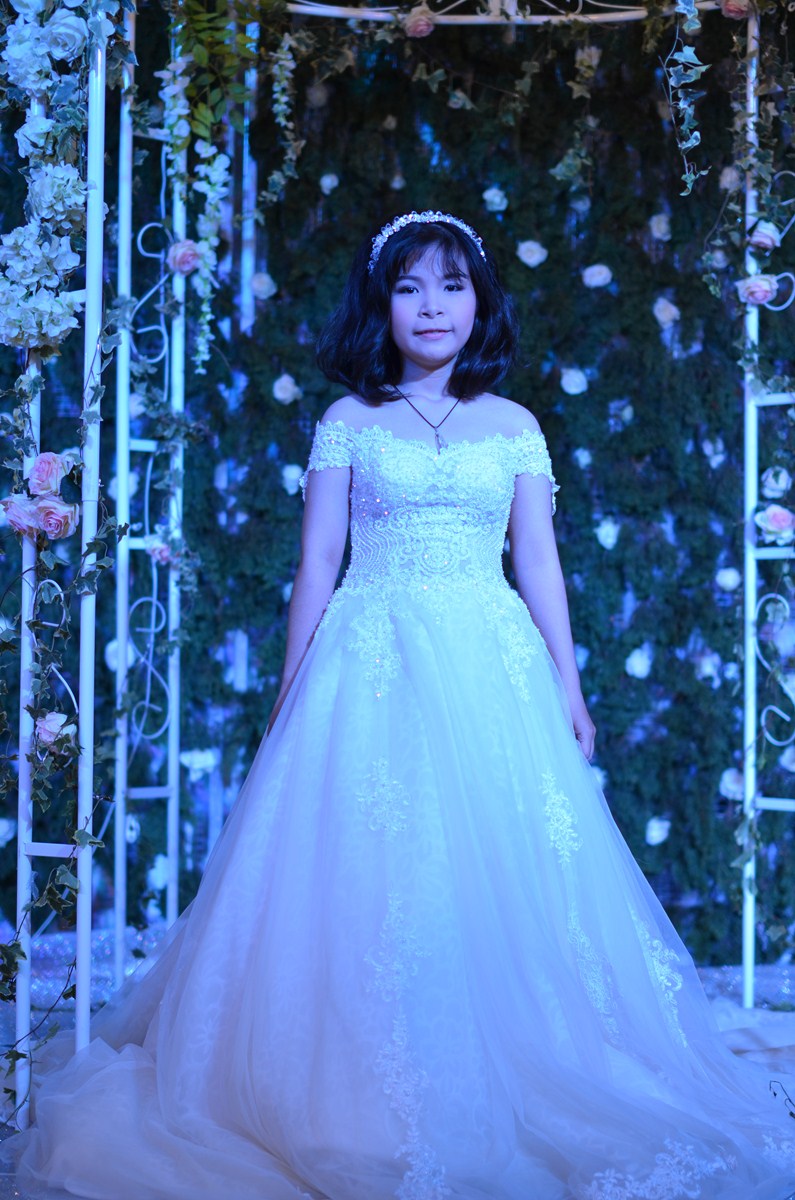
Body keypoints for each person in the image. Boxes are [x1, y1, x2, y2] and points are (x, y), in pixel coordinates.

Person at [7, 211, 795, 1200]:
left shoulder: (514, 426)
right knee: (365, 862)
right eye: (411, 287)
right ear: (381, 305)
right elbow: (317, 562)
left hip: (487, 661)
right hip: (369, 657)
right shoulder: (349, 420)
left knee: (495, 863)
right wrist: (291, 686)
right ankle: (346, 1079)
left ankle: (516, 1053)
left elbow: (538, 561)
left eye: (452, 286)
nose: (432, 307)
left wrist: (567, 681)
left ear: (480, 304)